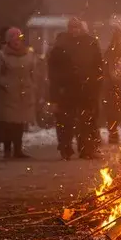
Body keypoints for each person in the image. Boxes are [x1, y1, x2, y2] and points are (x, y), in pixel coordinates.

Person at [48, 17, 103, 160]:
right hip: (66, 90)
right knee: (65, 122)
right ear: (68, 28)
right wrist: (55, 92)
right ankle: (65, 148)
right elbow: (53, 70)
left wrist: (96, 83)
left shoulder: (90, 43)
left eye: (77, 27)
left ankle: (86, 149)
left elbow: (98, 65)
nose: (75, 30)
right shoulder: (60, 45)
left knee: (86, 121)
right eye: (72, 27)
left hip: (86, 88)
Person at [0, 27, 37, 158]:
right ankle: (7, 149)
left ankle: (18, 149)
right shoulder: (1, 55)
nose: (16, 41)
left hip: (24, 93)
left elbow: (33, 72)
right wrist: (5, 83)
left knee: (20, 123)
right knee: (8, 123)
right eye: (13, 38)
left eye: (18, 38)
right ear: (8, 40)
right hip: (8, 93)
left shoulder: (29, 54)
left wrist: (32, 85)